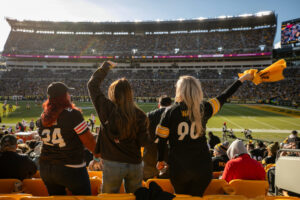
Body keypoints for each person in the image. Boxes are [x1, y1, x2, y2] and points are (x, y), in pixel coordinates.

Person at [156, 72, 254, 196]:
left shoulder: (170, 112)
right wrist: (242, 79)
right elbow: (225, 95)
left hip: (179, 166)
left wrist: (160, 159)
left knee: (181, 197)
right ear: (197, 90)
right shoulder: (204, 108)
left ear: (179, 90)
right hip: (202, 166)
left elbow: (161, 140)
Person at [87, 61, 151, 193]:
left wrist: (105, 67)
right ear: (130, 94)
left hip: (112, 163)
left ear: (113, 93)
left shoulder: (106, 108)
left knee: (109, 197)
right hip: (134, 163)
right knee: (135, 197)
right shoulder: (140, 115)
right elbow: (144, 142)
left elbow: (92, 85)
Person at [37, 82, 99, 195]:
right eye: (67, 93)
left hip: (46, 168)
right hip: (70, 167)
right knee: (84, 197)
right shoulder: (72, 114)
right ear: (63, 96)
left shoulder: (43, 116)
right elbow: (89, 141)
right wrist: (99, 155)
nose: (69, 95)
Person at [143, 95, 172, 180]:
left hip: (149, 157)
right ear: (171, 105)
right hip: (167, 159)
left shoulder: (149, 116)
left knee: (148, 186)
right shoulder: (174, 116)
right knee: (165, 187)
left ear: (159, 104)